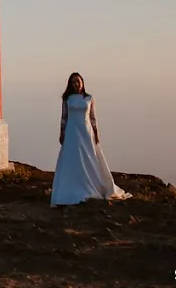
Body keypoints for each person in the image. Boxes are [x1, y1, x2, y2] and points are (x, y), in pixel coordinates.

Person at [50, 72, 131, 207]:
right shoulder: (67, 99)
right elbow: (64, 117)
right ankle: (72, 187)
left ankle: (92, 184)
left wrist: (96, 132)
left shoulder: (89, 98)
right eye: (73, 82)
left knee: (89, 158)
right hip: (72, 132)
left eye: (78, 81)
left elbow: (93, 117)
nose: (76, 84)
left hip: (86, 132)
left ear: (82, 82)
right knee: (73, 159)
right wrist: (62, 132)